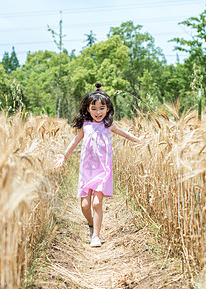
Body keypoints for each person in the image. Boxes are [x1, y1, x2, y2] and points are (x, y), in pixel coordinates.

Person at [55, 83, 142, 247]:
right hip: (87, 170)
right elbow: (75, 141)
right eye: (93, 108)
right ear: (87, 109)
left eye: (102, 108)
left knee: (96, 203)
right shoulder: (85, 125)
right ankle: (90, 224)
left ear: (108, 109)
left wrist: (139, 140)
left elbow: (125, 133)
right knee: (85, 205)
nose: (98, 112)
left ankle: (96, 236)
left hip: (103, 170)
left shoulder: (108, 125)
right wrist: (64, 156)